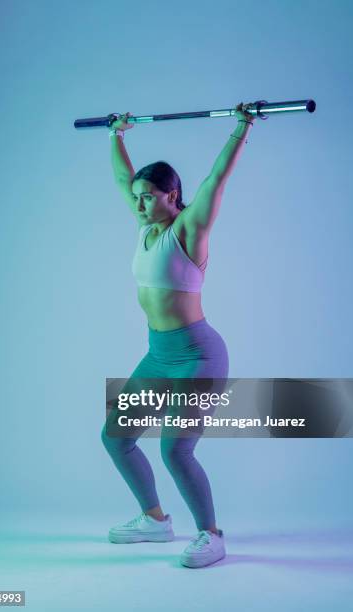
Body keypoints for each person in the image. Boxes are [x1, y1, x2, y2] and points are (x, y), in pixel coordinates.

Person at [101, 103, 254, 568]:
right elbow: (121, 179)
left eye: (148, 197)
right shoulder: (145, 226)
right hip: (158, 356)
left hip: (197, 356)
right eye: (137, 197)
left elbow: (215, 182)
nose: (139, 204)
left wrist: (241, 128)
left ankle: (212, 534)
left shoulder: (188, 230)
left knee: (175, 448)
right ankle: (154, 520)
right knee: (116, 437)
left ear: (173, 196)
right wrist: (116, 136)